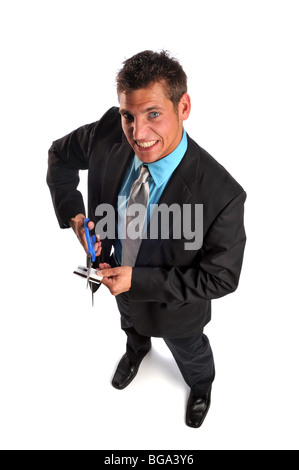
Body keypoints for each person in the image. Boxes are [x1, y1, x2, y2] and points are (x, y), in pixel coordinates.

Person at [47, 50, 246, 428]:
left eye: (153, 113)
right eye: (129, 116)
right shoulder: (110, 129)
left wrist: (138, 280)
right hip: (114, 282)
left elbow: (222, 278)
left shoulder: (222, 195)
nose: (138, 133)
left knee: (191, 353)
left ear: (183, 106)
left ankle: (202, 386)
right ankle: (137, 351)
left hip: (178, 311)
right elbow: (59, 155)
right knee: (130, 326)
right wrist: (75, 216)